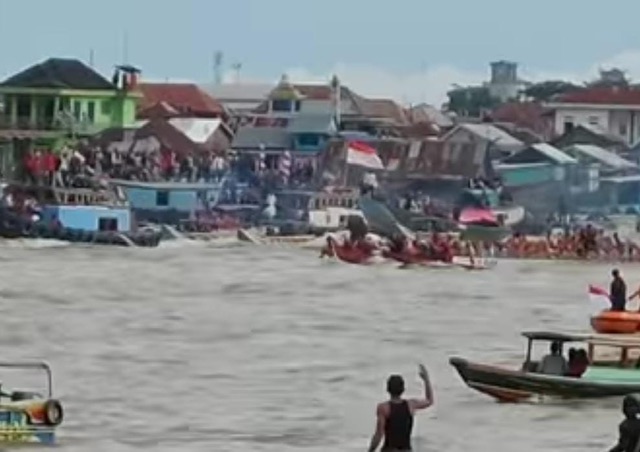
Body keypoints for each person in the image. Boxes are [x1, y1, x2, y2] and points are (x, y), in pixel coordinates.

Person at [368, 364, 434, 452]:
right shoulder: (411, 405)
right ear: (403, 389)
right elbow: (429, 401)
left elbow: (379, 434)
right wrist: (426, 379)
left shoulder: (383, 408)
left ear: (387, 389)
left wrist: (370, 450)